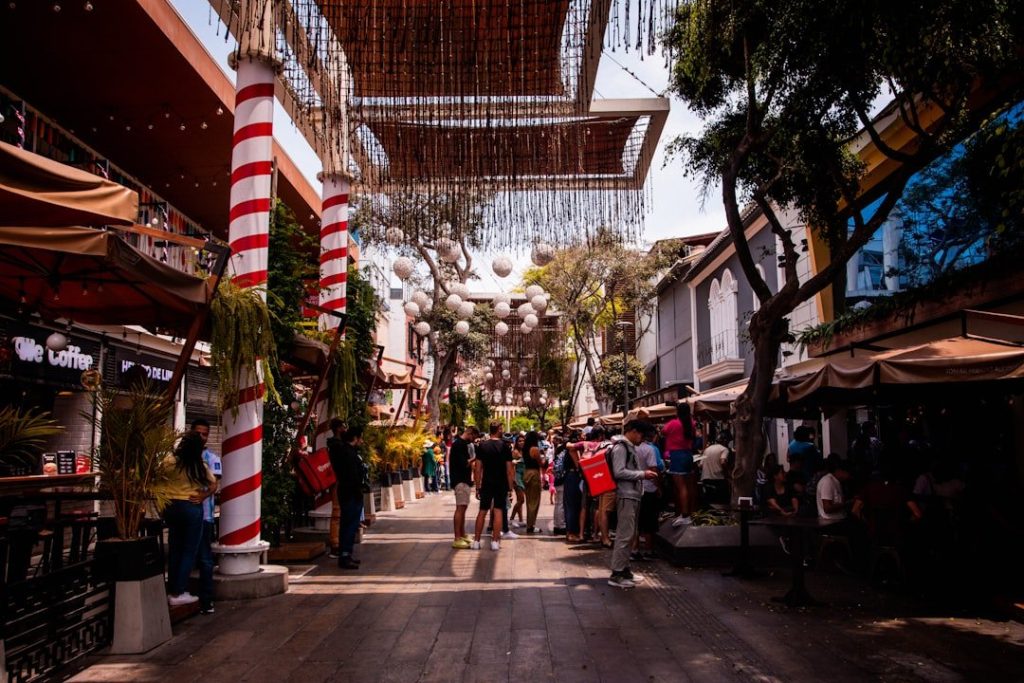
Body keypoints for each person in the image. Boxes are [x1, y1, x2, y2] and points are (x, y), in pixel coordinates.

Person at [162, 431, 217, 606]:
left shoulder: (169, 461)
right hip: (191, 505)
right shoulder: (198, 464)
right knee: (189, 550)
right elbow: (213, 484)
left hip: (171, 506)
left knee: (175, 548)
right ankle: (179, 591)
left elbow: (158, 479)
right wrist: (203, 496)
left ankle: (172, 589)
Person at [607, 420, 659, 589]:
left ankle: (624, 569)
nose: (642, 440)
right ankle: (617, 573)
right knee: (624, 535)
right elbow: (619, 471)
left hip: (632, 495)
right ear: (634, 431)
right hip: (626, 495)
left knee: (630, 534)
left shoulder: (628, 447)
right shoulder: (621, 447)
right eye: (642, 436)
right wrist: (642, 474)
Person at [190, 418, 219, 614]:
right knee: (182, 556)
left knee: (205, 559)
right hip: (185, 517)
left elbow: (214, 484)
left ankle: (206, 600)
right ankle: (179, 593)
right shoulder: (180, 458)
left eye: (205, 434)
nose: (201, 437)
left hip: (205, 516)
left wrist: (202, 496)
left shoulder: (212, 458)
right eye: (197, 433)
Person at [472, 421, 515, 551]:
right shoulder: (505, 447)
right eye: (501, 429)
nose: (503, 431)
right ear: (498, 430)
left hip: (487, 483)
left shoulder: (482, 446)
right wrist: (510, 488)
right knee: (498, 511)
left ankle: (476, 541)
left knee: (482, 511)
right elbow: (509, 470)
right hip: (501, 483)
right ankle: (495, 541)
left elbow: (477, 468)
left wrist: (477, 486)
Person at [328, 420, 365, 569]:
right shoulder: (347, 453)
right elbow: (352, 475)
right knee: (349, 524)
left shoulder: (345, 451)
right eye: (360, 438)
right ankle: (344, 555)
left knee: (348, 524)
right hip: (350, 493)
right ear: (355, 438)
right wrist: (358, 491)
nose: (362, 441)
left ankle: (346, 554)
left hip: (348, 491)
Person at [664, 402, 697, 527]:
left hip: (677, 455)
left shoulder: (674, 423)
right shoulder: (692, 423)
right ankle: (690, 513)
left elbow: (663, 431)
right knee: (689, 486)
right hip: (688, 454)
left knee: (681, 487)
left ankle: (684, 514)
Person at [633, 426, 663, 561]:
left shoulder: (631, 448)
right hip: (648, 488)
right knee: (649, 521)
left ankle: (634, 550)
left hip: (634, 488)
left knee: (636, 521)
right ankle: (649, 550)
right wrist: (658, 487)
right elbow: (654, 469)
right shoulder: (649, 449)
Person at [449, 426, 479, 549]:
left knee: (463, 508)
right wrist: (476, 458)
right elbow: (464, 463)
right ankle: (457, 538)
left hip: (463, 480)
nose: (473, 440)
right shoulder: (459, 445)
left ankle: (462, 534)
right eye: (473, 437)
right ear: (470, 433)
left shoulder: (461, 444)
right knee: (460, 509)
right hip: (460, 480)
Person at [562, 430, 584, 543]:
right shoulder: (573, 449)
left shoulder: (571, 447)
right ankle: (571, 533)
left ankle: (570, 532)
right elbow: (578, 465)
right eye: (582, 435)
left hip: (570, 477)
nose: (584, 437)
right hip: (573, 477)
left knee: (571, 505)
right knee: (572, 505)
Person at [817, 454, 852, 521]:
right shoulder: (827, 481)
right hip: (830, 520)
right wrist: (845, 504)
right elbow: (827, 508)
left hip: (839, 518)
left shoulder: (837, 482)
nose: (849, 477)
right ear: (840, 471)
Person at [522, 431, 544, 533]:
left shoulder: (525, 449)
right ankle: (531, 525)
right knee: (534, 501)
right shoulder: (535, 449)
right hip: (534, 474)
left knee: (529, 501)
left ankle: (529, 524)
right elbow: (541, 463)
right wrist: (545, 458)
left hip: (526, 473)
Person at [698, 433, 730, 506]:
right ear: (725, 441)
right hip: (719, 479)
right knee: (721, 502)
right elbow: (723, 462)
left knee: (710, 502)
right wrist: (727, 473)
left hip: (706, 478)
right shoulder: (724, 449)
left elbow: (701, 465)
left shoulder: (707, 449)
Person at [509, 434, 527, 528]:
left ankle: (520, 520)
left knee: (520, 500)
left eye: (523, 441)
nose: (521, 442)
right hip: (517, 477)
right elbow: (511, 466)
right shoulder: (515, 452)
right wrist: (513, 479)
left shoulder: (525, 451)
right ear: (516, 442)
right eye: (519, 441)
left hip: (524, 477)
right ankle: (511, 519)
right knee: (521, 500)